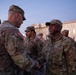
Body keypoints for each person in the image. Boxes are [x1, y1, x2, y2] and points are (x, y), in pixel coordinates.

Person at [0, 5, 39, 75]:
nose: (22, 22)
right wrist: (36, 64)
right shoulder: (11, 30)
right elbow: (21, 60)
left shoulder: (2, 27)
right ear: (17, 16)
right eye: (22, 19)